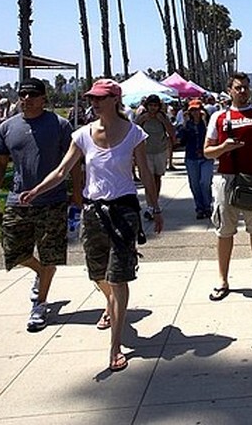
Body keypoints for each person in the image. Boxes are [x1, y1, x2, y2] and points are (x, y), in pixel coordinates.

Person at [19, 78, 163, 373]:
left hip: (124, 211)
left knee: (119, 275)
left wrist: (155, 207)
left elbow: (145, 174)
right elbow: (62, 171)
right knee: (98, 273)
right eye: (92, 98)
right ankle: (111, 302)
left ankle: (115, 346)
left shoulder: (134, 133)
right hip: (94, 213)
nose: (94, 103)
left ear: (115, 99)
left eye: (100, 98)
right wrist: (36, 191)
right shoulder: (82, 135)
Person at [0, 78, 81, 333]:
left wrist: (77, 194)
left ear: (44, 99)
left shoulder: (60, 125)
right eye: (22, 95)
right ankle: (40, 272)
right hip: (18, 199)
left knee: (51, 253)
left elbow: (72, 163)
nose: (26, 99)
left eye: (32, 95)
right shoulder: (7, 127)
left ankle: (40, 305)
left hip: (53, 201)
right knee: (14, 250)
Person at [203, 72, 252, 301]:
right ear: (229, 90)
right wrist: (224, 147)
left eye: (245, 87)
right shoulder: (219, 118)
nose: (242, 91)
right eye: (238, 88)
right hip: (226, 180)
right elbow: (207, 151)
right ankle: (223, 280)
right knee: (224, 232)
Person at [178, 98, 213, 219]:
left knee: (205, 182)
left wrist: (205, 122)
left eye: (197, 110)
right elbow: (180, 140)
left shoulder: (207, 123)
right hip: (191, 158)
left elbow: (212, 136)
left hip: (206, 157)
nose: (195, 113)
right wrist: (184, 123)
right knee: (195, 184)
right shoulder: (186, 125)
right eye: (192, 110)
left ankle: (208, 206)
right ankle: (200, 208)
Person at [134, 94, 176, 195]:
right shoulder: (142, 116)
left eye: (155, 105)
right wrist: (142, 120)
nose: (153, 108)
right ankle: (150, 203)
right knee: (149, 178)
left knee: (157, 177)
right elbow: (134, 131)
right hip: (146, 152)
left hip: (160, 151)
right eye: (151, 105)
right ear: (147, 105)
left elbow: (171, 132)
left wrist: (163, 120)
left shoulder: (162, 116)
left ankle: (155, 200)